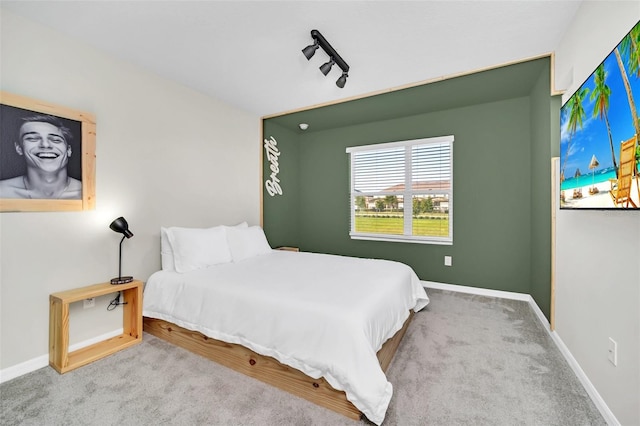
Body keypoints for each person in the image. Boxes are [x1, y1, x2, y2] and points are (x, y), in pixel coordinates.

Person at [0, 114, 81, 199]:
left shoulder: (88, 193)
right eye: (32, 138)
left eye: (55, 140)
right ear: (19, 148)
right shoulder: (2, 192)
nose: (45, 145)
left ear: (68, 150)